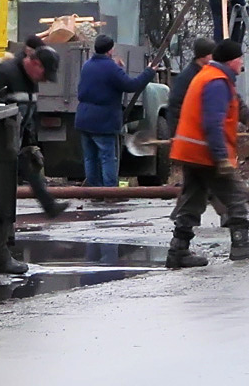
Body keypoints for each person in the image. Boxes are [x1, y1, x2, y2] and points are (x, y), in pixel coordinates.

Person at [0, 36, 69, 275]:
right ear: (35, 63)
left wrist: (31, 145)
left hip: (14, 146)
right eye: (43, 74)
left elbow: (28, 114)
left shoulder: (30, 79)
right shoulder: (3, 73)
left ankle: (46, 208)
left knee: (9, 197)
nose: (43, 80)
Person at [164, 38, 249, 268]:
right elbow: (213, 122)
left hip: (192, 151)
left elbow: (237, 110)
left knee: (192, 200)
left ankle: (178, 251)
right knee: (238, 195)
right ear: (231, 61)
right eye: (240, 58)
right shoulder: (216, 82)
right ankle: (242, 246)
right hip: (206, 153)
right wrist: (221, 157)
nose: (242, 62)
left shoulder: (209, 77)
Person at [75, 34, 156, 187]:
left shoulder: (87, 65)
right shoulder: (111, 68)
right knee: (107, 157)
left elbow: (101, 81)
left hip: (84, 118)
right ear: (110, 50)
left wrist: (117, 68)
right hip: (103, 121)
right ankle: (111, 192)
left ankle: (93, 190)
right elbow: (131, 85)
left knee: (90, 157)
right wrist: (149, 72)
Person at [166, 38, 217, 136]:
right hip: (187, 131)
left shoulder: (207, 72)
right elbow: (175, 105)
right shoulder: (187, 77)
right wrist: (179, 131)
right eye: (212, 54)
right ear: (203, 56)